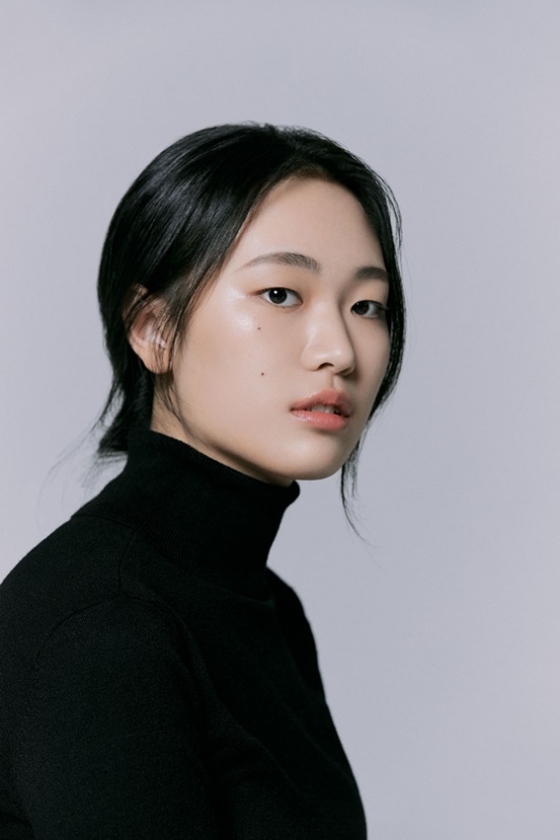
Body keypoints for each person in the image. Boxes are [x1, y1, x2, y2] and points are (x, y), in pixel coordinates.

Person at [0, 123, 405, 839]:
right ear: (153, 329)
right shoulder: (105, 626)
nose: (340, 350)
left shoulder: (262, 603)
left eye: (366, 305)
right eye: (281, 293)